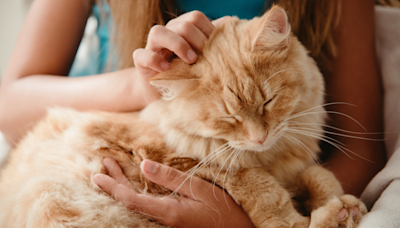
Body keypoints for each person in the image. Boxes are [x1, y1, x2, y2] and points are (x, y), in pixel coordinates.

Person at [0, 0, 390, 227]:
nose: (257, 135)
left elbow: (362, 147)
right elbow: (9, 104)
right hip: (102, 134)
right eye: (234, 119)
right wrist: (142, 87)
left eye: (266, 108)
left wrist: (241, 219)